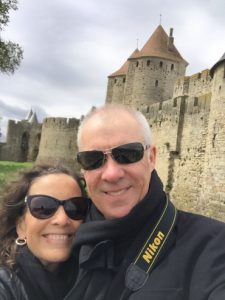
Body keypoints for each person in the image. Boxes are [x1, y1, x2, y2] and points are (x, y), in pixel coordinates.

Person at [66, 104, 225, 300]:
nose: (112, 174)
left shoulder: (213, 245)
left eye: (127, 154)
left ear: (151, 158)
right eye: (93, 159)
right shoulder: (63, 239)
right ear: (83, 169)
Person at [0, 164, 89, 300]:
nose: (62, 220)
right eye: (43, 207)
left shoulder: (90, 276)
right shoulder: (5, 284)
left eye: (75, 207)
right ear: (20, 225)